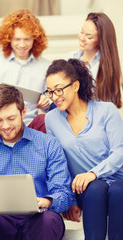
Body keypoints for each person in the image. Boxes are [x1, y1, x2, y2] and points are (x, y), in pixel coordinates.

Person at [0, 83, 76, 240]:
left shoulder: (48, 144)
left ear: (23, 112)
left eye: (11, 118)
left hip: (36, 219)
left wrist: (47, 201)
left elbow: (63, 192)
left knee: (50, 220)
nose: (5, 126)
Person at [44, 59, 123, 240]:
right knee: (95, 188)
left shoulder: (106, 110)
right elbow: (57, 163)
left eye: (59, 89)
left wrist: (93, 173)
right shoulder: (51, 119)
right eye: (50, 92)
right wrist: (70, 200)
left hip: (118, 181)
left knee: (118, 191)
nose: (54, 97)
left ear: (75, 85)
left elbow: (120, 152)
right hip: (85, 189)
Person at [0, 9, 51, 149]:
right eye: (17, 39)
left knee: (45, 120)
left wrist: (47, 102)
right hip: (0, 127)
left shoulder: (45, 66)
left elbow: (54, 104)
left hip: (29, 128)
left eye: (27, 39)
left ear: (35, 39)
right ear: (9, 39)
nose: (22, 44)